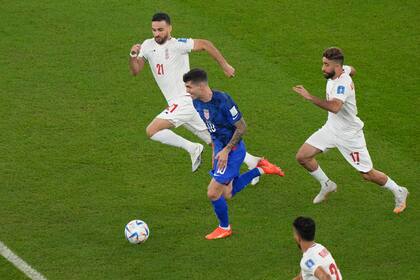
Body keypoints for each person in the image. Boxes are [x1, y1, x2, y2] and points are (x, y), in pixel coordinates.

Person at [129, 12, 261, 179]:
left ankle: (193, 148)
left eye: (160, 30)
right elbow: (135, 70)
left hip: (184, 101)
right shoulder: (147, 45)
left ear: (170, 28)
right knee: (214, 139)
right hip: (188, 105)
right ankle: (252, 162)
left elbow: (205, 44)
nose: (156, 34)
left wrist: (224, 65)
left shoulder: (178, 45)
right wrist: (133, 55)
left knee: (152, 130)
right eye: (154, 30)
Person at [292, 47, 408, 214]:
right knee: (302, 157)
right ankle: (327, 185)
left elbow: (335, 107)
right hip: (331, 129)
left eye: (326, 65)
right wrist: (348, 71)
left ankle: (398, 190)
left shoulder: (342, 85)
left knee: (367, 174)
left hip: (349, 135)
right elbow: (352, 69)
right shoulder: (342, 70)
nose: (323, 68)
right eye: (323, 63)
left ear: (337, 67)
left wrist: (310, 97)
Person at [183, 68, 284, 240]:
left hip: (234, 151)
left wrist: (226, 150)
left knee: (213, 193)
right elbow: (213, 130)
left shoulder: (223, 101)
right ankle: (261, 169)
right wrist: (216, 150)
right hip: (220, 149)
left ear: (201, 86)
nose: (187, 91)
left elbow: (242, 127)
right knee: (227, 193)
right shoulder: (197, 102)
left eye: (189, 87)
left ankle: (224, 228)